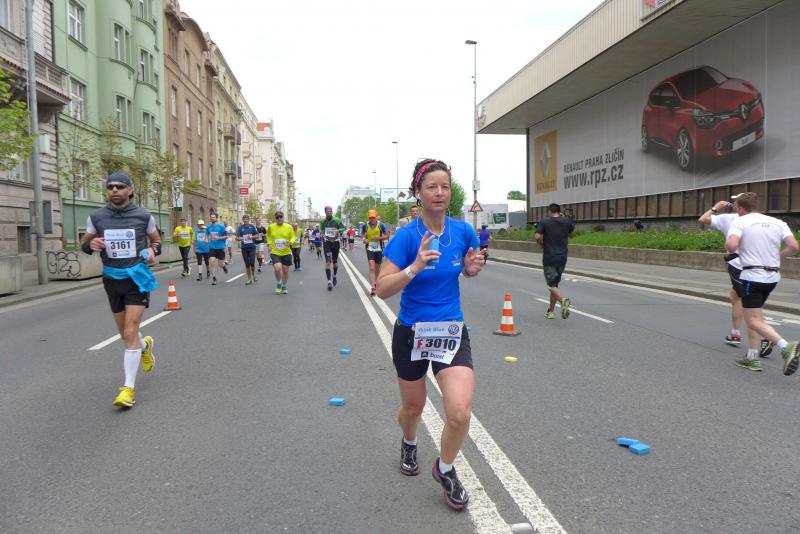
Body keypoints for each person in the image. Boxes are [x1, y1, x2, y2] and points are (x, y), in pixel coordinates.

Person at [377, 159, 485, 511]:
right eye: (431, 187)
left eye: (444, 187)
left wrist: (470, 269)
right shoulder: (406, 237)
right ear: (418, 193)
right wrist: (415, 266)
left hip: (450, 330)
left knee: (460, 412)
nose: (439, 193)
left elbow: (465, 267)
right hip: (412, 332)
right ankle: (409, 441)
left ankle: (446, 469)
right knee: (414, 407)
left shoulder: (463, 231)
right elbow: (382, 288)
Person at [80, 173, 159, 408]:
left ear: (130, 190)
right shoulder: (96, 217)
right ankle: (145, 346)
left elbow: (157, 241)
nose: (114, 190)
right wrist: (91, 244)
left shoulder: (144, 216)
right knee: (126, 335)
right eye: (110, 187)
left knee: (130, 329)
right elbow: (84, 244)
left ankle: (128, 389)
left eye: (120, 186)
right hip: (111, 279)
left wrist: (153, 251)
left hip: (136, 278)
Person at [725, 192, 799, 373]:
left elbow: (732, 246)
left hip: (752, 276)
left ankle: (786, 346)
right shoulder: (778, 223)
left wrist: (734, 245)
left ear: (741, 208)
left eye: (736, 208)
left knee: (753, 320)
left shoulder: (740, 221)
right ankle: (752, 357)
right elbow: (794, 247)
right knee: (755, 316)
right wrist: (778, 256)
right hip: (772, 277)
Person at [535, 203, 575, 320]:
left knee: (550, 285)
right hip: (562, 257)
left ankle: (563, 300)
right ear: (559, 211)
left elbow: (537, 237)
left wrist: (542, 245)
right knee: (555, 285)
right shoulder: (566, 221)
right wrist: (565, 221)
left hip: (549, 257)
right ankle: (551, 312)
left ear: (549, 211)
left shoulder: (544, 221)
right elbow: (572, 234)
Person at [362, 209, 389, 296]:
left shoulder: (381, 225)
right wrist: (364, 239)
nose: (372, 219)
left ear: (376, 217)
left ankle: (377, 283)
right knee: (371, 266)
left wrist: (380, 238)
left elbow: (387, 236)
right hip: (369, 248)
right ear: (368, 218)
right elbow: (362, 233)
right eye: (370, 218)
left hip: (379, 248)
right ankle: (373, 287)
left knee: (378, 268)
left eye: (373, 217)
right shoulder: (365, 226)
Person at [267, 211, 295, 294]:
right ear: (275, 218)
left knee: (285, 270)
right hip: (275, 251)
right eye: (277, 217)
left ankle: (284, 285)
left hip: (286, 252)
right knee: (277, 268)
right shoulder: (271, 227)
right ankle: (279, 283)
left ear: (283, 217)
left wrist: (290, 242)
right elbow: (268, 236)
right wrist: (269, 244)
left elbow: (293, 237)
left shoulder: (289, 227)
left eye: (280, 217)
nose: (279, 218)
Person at [320, 206, 346, 290]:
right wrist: (322, 234)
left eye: (330, 211)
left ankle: (334, 275)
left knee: (335, 262)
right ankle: (329, 282)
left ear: (332, 212)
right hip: (327, 242)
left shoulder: (337, 220)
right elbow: (321, 230)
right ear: (325, 212)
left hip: (335, 242)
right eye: (327, 211)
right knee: (328, 262)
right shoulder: (323, 221)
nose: (329, 212)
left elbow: (343, 228)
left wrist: (338, 230)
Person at [206, 213, 228, 285]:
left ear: (216, 218)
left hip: (220, 247)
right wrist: (206, 239)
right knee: (212, 261)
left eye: (214, 217)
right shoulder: (209, 227)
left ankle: (223, 266)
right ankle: (214, 278)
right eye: (211, 217)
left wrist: (219, 238)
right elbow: (207, 235)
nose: (212, 218)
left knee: (220, 264)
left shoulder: (221, 226)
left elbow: (226, 236)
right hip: (212, 247)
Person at [237, 214, 259, 285]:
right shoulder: (240, 227)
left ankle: (254, 275)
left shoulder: (252, 227)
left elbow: (257, 235)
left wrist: (251, 237)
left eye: (247, 219)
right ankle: (249, 279)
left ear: (249, 220)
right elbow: (237, 237)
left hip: (252, 247)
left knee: (252, 263)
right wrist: (241, 238)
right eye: (244, 219)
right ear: (243, 220)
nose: (246, 221)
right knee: (247, 264)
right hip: (244, 248)